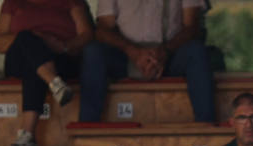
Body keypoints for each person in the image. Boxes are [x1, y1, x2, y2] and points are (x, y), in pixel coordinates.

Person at [80, 0, 215, 124]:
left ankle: (205, 128)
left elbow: (192, 27)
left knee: (196, 51)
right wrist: (132, 52)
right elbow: (103, 29)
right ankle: (86, 129)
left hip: (170, 54)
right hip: (125, 55)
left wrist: (165, 52)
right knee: (93, 52)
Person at [0, 0, 93, 146]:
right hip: (19, 59)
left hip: (61, 57)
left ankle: (27, 137)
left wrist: (64, 47)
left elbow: (87, 35)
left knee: (35, 65)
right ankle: (54, 82)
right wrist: (36, 39)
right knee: (27, 38)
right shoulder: (13, 2)